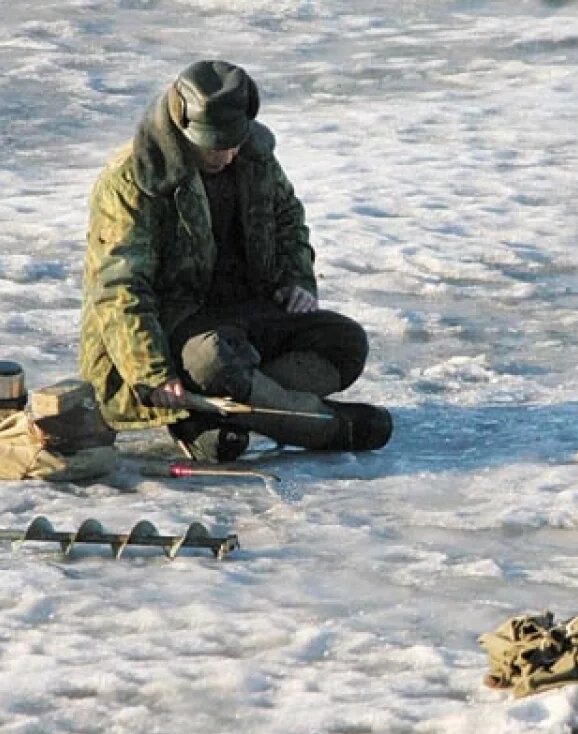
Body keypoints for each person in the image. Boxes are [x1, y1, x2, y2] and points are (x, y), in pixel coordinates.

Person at [79, 60, 392, 462]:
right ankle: (323, 426)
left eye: (232, 142)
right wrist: (151, 371)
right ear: (182, 124)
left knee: (345, 343)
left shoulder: (256, 156)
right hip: (174, 327)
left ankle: (211, 417)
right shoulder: (132, 179)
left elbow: (288, 220)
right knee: (215, 360)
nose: (225, 155)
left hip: (244, 319)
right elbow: (118, 286)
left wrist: (297, 279)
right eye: (212, 144)